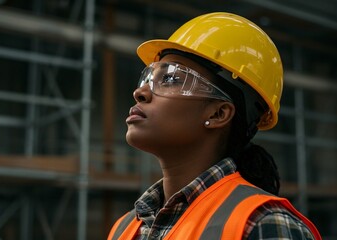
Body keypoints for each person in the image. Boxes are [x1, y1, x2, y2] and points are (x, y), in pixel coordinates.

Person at [108, 12, 322, 240]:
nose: (140, 92)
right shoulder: (125, 229)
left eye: (171, 78)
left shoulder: (264, 224)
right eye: (149, 78)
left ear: (219, 113)